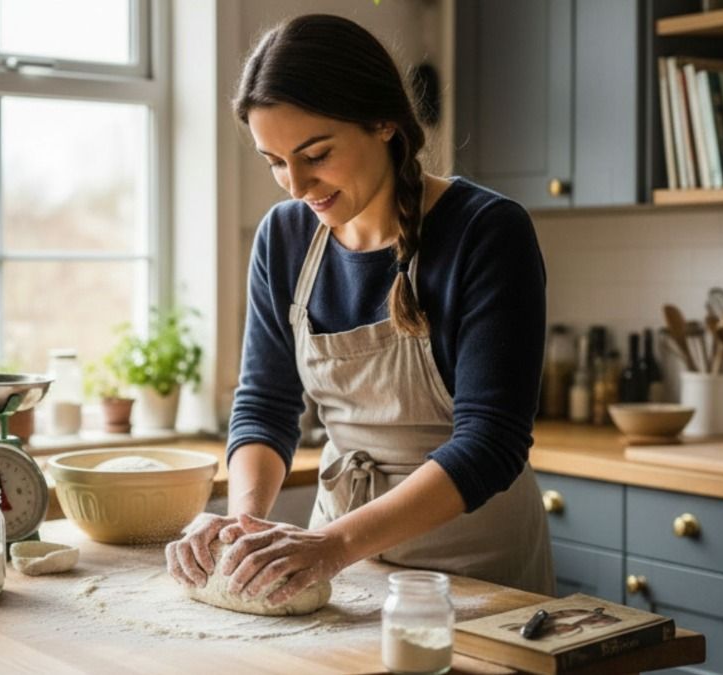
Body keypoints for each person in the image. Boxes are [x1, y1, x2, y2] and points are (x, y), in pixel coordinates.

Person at [165, 13, 554, 607]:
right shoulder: (285, 237)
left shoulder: (487, 232)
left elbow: (490, 442)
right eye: (275, 161)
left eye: (316, 154)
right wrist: (244, 525)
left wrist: (334, 545)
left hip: (475, 571)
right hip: (339, 563)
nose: (296, 185)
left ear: (383, 122)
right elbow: (266, 403)